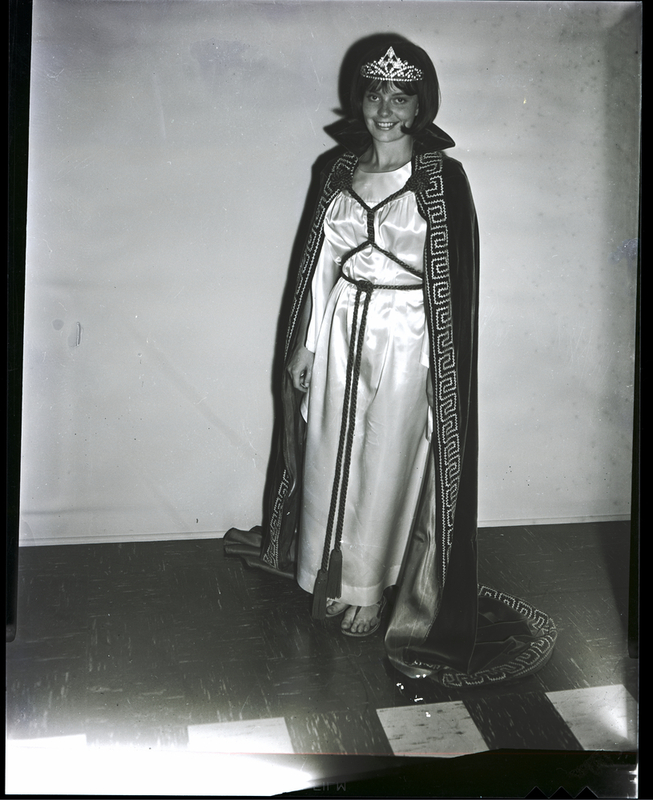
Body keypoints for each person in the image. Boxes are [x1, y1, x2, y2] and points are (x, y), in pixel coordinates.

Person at [225, 39, 556, 686]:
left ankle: (369, 588)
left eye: (400, 96)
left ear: (420, 105)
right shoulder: (335, 170)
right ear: (359, 99)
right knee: (328, 453)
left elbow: (450, 283)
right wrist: (307, 343)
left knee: (383, 462)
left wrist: (441, 365)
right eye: (374, 93)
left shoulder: (439, 179)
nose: (384, 108)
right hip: (341, 327)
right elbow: (320, 266)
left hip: (407, 338)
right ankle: (321, 571)